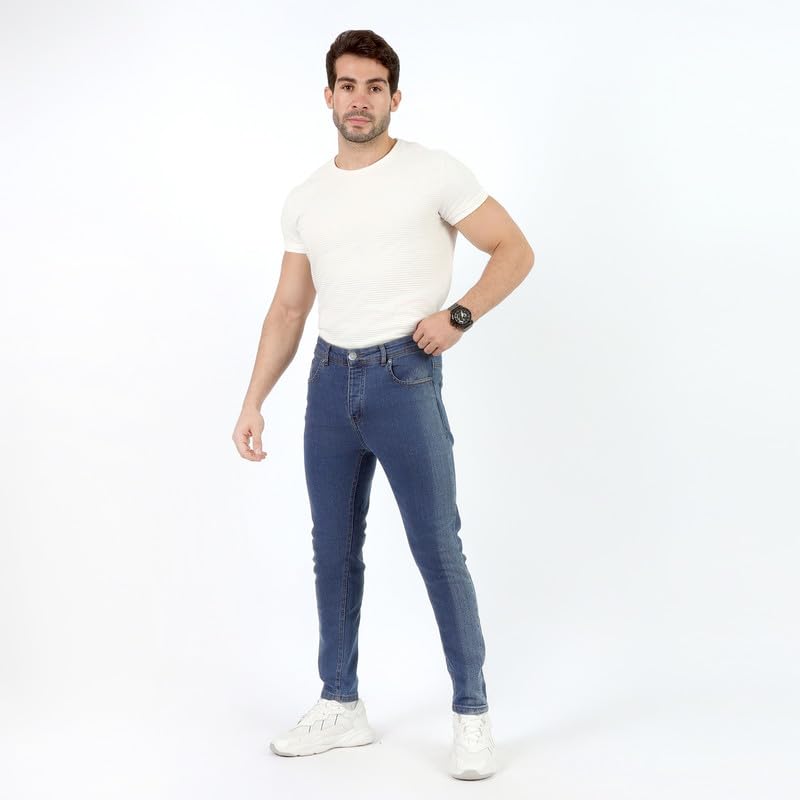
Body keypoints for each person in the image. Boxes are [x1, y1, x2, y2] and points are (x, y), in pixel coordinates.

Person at [232, 29, 534, 781]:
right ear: (328, 96)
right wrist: (253, 400)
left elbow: (514, 249)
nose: (359, 100)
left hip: (405, 376)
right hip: (328, 382)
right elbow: (289, 308)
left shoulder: (433, 172)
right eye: (348, 86)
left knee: (437, 546)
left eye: (374, 87)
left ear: (394, 97)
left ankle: (472, 712)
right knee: (332, 549)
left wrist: (459, 316)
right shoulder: (306, 198)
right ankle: (341, 702)